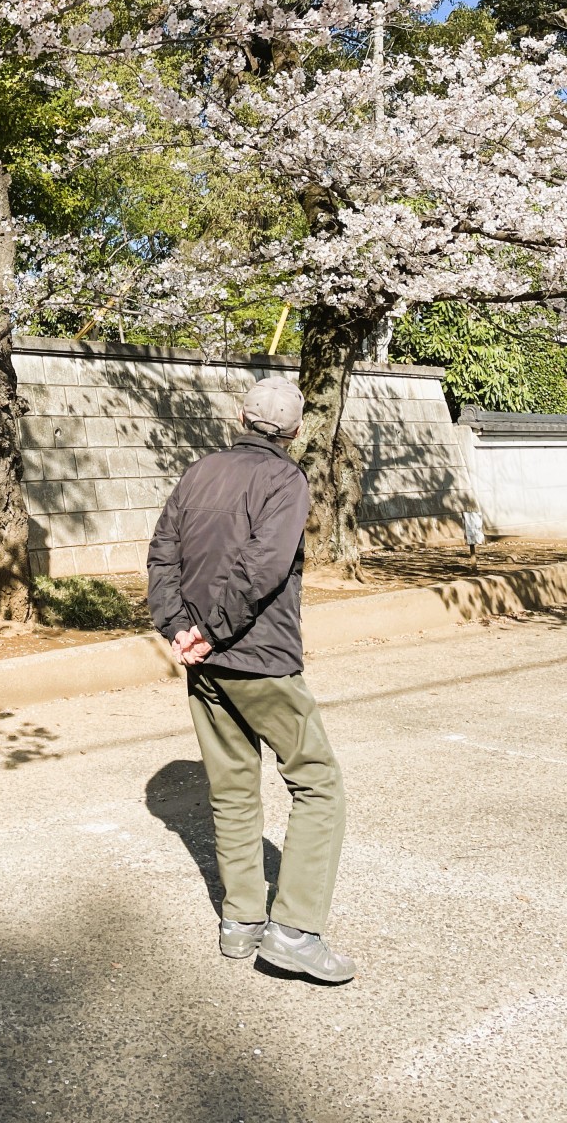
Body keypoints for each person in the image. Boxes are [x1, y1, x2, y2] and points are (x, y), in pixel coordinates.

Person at [147, 377, 355, 984]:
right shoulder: (287, 479)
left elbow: (162, 555)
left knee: (232, 786)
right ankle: (294, 932)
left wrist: (180, 629)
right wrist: (210, 630)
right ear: (295, 430)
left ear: (240, 418)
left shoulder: (198, 473)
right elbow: (262, 569)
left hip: (204, 663)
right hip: (259, 659)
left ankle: (241, 921)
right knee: (318, 783)